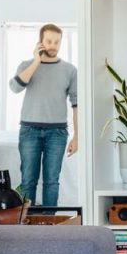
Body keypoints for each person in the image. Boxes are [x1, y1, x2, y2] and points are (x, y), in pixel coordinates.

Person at [9, 23, 78, 207]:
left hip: (57, 133)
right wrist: (36, 61)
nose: (53, 46)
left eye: (57, 42)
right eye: (49, 41)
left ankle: (48, 222)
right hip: (29, 130)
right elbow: (15, 87)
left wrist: (77, 137)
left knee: (52, 182)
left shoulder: (70, 70)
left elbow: (76, 104)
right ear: (40, 42)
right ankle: (26, 221)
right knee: (28, 180)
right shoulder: (27, 65)